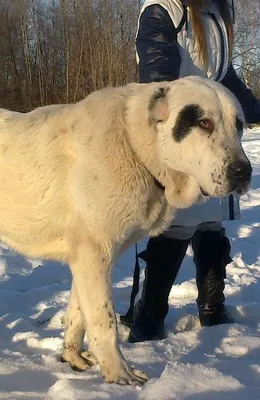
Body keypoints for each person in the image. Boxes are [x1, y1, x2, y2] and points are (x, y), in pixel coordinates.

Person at [121, 0, 260, 343]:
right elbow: (157, 78)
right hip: (183, 136)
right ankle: (150, 315)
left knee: (212, 221)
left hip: (216, 135)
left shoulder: (215, 10)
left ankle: (212, 307)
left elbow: (224, 77)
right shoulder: (164, 7)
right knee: (176, 223)